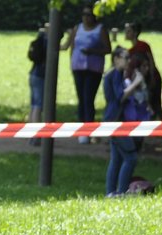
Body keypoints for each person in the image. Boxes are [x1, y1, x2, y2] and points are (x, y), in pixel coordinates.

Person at [103, 48, 150, 196]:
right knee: (131, 158)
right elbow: (119, 97)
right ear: (116, 58)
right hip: (115, 121)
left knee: (116, 159)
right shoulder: (113, 75)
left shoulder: (117, 74)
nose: (128, 61)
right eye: (125, 57)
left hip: (115, 120)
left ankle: (111, 192)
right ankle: (122, 192)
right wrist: (136, 83)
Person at [68, 6, 110, 143]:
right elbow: (71, 46)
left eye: (89, 15)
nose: (86, 17)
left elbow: (107, 48)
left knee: (88, 98)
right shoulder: (77, 28)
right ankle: (82, 130)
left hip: (94, 68)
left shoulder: (101, 29)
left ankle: (89, 128)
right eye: (84, 14)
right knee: (81, 98)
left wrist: (93, 51)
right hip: (78, 67)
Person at [123, 21, 162, 120]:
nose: (126, 33)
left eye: (129, 31)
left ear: (135, 33)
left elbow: (151, 61)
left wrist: (152, 77)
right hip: (142, 80)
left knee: (156, 104)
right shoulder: (130, 51)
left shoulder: (143, 45)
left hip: (151, 77)